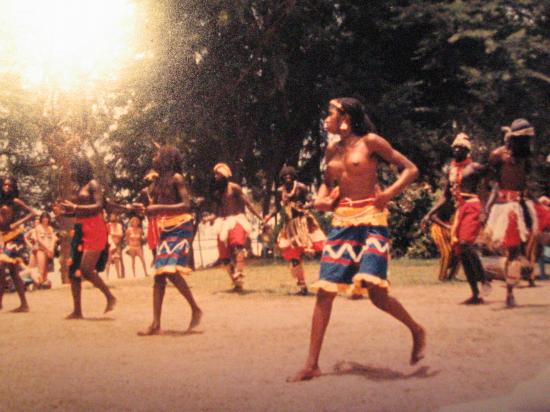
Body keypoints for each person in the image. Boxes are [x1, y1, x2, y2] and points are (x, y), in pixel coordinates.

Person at [288, 98, 426, 382]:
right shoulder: (331, 149)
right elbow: (328, 182)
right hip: (342, 223)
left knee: (377, 295)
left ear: (346, 117)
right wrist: (323, 199)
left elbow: (411, 169)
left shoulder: (371, 142)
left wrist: (389, 194)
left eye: (331, 113)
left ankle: (416, 329)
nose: (326, 118)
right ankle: (311, 364)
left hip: (371, 221)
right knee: (325, 291)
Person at [136, 145, 202, 335]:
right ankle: (156, 323)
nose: (154, 157)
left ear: (167, 158)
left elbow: (186, 205)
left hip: (181, 226)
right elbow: (154, 207)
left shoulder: (176, 178)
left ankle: (195, 309)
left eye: (158, 154)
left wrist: (158, 209)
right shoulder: (156, 183)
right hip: (164, 228)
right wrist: (144, 208)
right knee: (160, 274)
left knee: (169, 268)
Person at [423, 133, 491, 303]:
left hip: (473, 206)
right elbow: (446, 196)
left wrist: (485, 209)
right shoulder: (451, 170)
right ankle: (475, 293)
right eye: (454, 147)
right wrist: (430, 213)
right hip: (460, 209)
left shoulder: (474, 167)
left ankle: (484, 279)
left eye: (460, 147)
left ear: (467, 150)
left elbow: (491, 185)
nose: (456, 150)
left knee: (465, 244)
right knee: (460, 250)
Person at [482, 119, 543, 307]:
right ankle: (489, 274)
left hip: (520, 206)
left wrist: (534, 203)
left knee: (516, 251)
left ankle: (509, 291)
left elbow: (524, 185)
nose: (527, 144)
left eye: (528, 140)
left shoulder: (525, 159)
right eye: (523, 140)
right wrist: (486, 208)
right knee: (499, 248)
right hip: (503, 207)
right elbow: (491, 184)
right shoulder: (498, 156)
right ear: (513, 139)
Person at [59, 157, 117, 319]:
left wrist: (75, 207)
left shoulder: (93, 184)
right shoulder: (79, 188)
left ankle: (110, 297)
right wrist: (66, 212)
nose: (73, 173)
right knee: (73, 271)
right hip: (80, 229)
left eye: (76, 169)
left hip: (95, 228)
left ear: (83, 168)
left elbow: (99, 206)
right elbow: (81, 210)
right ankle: (77, 311)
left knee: (85, 268)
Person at [263, 165, 326, 295]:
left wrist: (304, 206)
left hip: (304, 223)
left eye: (290, 175)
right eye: (285, 176)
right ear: (282, 178)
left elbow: (311, 201)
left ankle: (327, 280)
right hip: (290, 226)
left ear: (293, 176)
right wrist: (268, 216)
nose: (287, 177)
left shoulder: (301, 187)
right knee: (292, 255)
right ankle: (302, 286)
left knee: (320, 248)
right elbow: (277, 208)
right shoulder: (280, 191)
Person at [204, 163, 262, 291]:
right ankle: (236, 283)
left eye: (218, 174)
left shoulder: (234, 187)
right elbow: (217, 213)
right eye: (215, 175)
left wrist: (261, 217)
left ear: (225, 175)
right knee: (224, 258)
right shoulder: (217, 192)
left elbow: (248, 204)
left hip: (236, 221)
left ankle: (240, 271)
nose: (216, 177)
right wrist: (209, 218)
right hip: (223, 223)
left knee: (238, 246)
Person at [0, 176, 36, 312]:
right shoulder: (1, 201)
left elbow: (32, 213)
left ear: (13, 188)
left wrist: (17, 223)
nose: (7, 187)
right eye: (5, 185)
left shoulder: (15, 201)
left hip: (15, 237)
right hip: (4, 237)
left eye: (10, 185)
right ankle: (24, 304)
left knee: (1, 265)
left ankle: (2, 303)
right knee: (13, 272)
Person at [31, 212, 56, 288]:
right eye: (44, 218)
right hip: (41, 250)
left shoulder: (50, 228)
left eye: (47, 218)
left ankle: (44, 285)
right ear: (41, 219)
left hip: (49, 251)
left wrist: (51, 248)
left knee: (46, 270)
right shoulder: (38, 227)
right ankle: (39, 285)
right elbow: (38, 239)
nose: (45, 219)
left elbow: (53, 239)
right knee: (41, 270)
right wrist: (47, 248)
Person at [106, 213, 124, 279]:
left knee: (117, 260)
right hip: (110, 244)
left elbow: (121, 234)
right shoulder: (108, 225)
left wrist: (113, 234)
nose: (113, 218)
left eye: (114, 216)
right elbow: (106, 234)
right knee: (108, 260)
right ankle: (107, 276)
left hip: (117, 244)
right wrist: (116, 235)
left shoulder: (119, 225)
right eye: (112, 216)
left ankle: (118, 276)